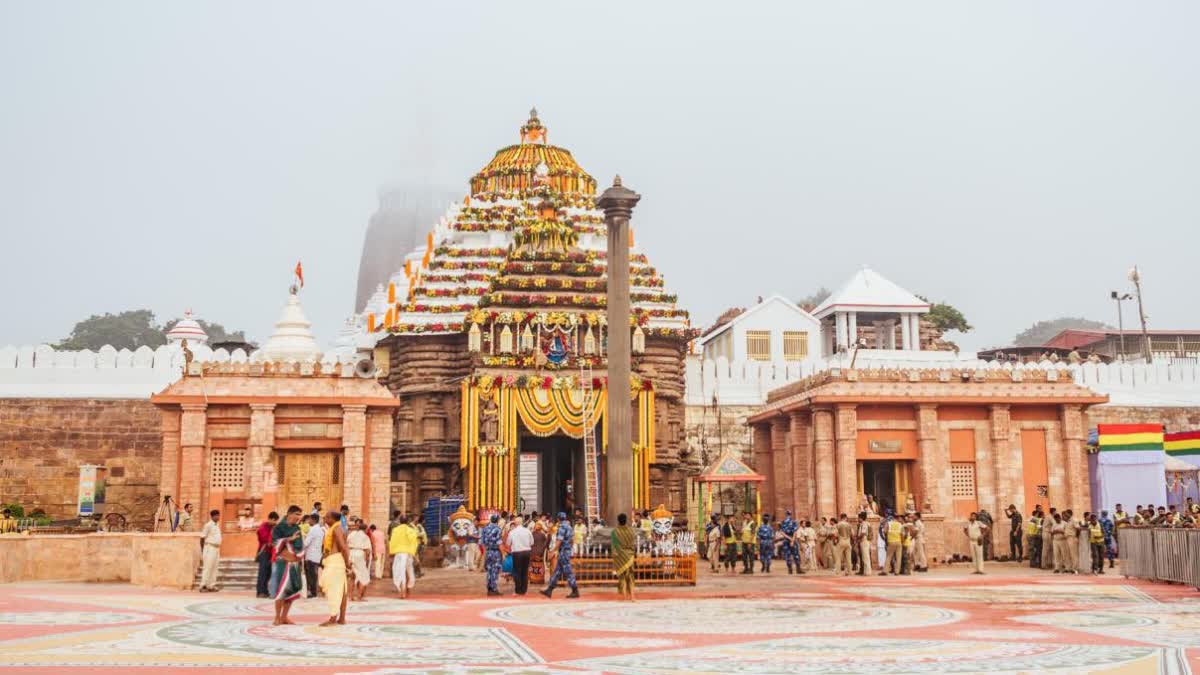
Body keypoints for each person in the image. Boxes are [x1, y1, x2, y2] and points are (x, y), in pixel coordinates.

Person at [269, 505, 304, 626]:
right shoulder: (279, 528)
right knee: (281, 590)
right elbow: (275, 543)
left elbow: (300, 544)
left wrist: (297, 556)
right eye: (297, 514)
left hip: (294, 562)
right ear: (289, 514)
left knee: (291, 590)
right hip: (282, 562)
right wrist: (289, 539)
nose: (298, 517)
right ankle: (277, 617)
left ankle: (284, 617)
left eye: (299, 515)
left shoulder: (297, 528)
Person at [318, 509, 351, 626]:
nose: (324, 519)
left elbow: (344, 547)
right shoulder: (337, 528)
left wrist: (348, 564)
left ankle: (333, 618)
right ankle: (341, 618)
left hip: (336, 562)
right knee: (342, 590)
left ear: (333, 519)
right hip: (335, 561)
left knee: (334, 590)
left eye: (327, 517)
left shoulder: (337, 529)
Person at [540, 512, 580, 598]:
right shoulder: (570, 527)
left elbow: (559, 541)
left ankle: (575, 590)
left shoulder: (562, 527)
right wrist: (571, 548)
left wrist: (553, 551)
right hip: (567, 550)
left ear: (558, 519)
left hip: (563, 552)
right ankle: (549, 590)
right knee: (557, 572)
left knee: (568, 571)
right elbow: (572, 540)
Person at [389, 514, 418, 598]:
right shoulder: (411, 530)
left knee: (400, 572)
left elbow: (392, 541)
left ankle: (402, 592)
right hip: (408, 553)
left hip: (399, 553)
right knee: (409, 571)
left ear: (399, 521)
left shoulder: (395, 530)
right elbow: (414, 542)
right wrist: (414, 554)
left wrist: (391, 552)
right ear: (408, 521)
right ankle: (408, 589)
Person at [612, 513, 637, 601]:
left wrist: (616, 557)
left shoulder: (614, 532)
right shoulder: (631, 531)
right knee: (631, 576)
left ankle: (624, 596)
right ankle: (633, 596)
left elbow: (615, 546)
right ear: (626, 520)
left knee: (622, 577)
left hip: (620, 556)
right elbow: (633, 544)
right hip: (630, 556)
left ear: (618, 521)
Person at [255, 512, 280, 598]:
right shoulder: (263, 527)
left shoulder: (272, 527)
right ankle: (260, 592)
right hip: (264, 552)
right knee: (263, 573)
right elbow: (265, 539)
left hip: (271, 553)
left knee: (268, 573)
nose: (275, 522)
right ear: (270, 519)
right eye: (274, 520)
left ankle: (265, 591)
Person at [347, 518, 373, 601]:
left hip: (351, 554)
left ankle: (350, 596)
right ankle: (359, 597)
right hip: (360, 554)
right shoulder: (365, 537)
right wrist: (367, 561)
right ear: (365, 529)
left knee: (352, 576)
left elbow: (346, 545)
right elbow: (368, 551)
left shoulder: (351, 534)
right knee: (364, 577)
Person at [507, 515, 533, 595]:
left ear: (515, 523)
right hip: (526, 552)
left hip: (517, 553)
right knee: (524, 571)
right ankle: (524, 590)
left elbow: (508, 543)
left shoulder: (512, 532)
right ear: (522, 522)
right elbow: (532, 542)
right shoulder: (527, 531)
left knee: (517, 571)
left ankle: (518, 590)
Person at [198, 509, 222, 592]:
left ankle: (211, 585)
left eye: (218, 515)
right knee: (207, 567)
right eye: (216, 515)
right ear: (212, 516)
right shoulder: (208, 525)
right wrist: (203, 550)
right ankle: (203, 585)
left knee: (214, 567)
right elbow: (202, 537)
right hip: (209, 548)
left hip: (216, 548)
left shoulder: (217, 525)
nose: (218, 517)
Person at [302, 513, 324, 598]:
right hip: (317, 555)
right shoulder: (320, 530)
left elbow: (306, 543)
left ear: (313, 520)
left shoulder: (313, 530)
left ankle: (312, 592)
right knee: (314, 574)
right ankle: (314, 591)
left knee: (311, 575)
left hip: (311, 555)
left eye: (310, 520)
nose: (309, 521)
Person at [481, 514, 503, 596]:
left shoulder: (485, 528)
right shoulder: (498, 529)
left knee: (489, 570)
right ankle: (494, 589)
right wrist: (503, 554)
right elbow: (499, 542)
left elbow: (482, 542)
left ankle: (489, 588)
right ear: (497, 520)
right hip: (496, 552)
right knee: (495, 570)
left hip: (488, 551)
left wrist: (485, 552)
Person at [413, 515, 428, 579]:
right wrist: (422, 536)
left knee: (419, 559)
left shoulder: (419, 526)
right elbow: (418, 534)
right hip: (418, 544)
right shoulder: (418, 526)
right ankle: (417, 572)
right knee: (417, 559)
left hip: (420, 544)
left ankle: (418, 572)